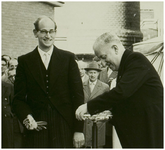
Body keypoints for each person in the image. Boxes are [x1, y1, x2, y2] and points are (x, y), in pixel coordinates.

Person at [75, 32, 163, 148]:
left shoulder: (136, 60)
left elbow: (121, 93)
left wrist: (89, 106)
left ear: (115, 49)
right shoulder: (126, 65)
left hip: (150, 132)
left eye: (103, 57)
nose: (102, 63)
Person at [13, 15, 85, 148]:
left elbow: (78, 97)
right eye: (44, 31)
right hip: (37, 127)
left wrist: (79, 130)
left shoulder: (68, 58)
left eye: (51, 31)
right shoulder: (24, 61)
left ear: (55, 32)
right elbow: (18, 99)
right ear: (36, 33)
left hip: (64, 126)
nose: (48, 35)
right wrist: (27, 117)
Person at [83, 61, 109, 148]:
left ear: (98, 73)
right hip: (84, 123)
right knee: (85, 145)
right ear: (87, 73)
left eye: (95, 72)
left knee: (97, 145)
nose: (92, 75)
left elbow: (107, 105)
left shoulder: (104, 87)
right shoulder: (81, 85)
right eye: (90, 72)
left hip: (98, 123)